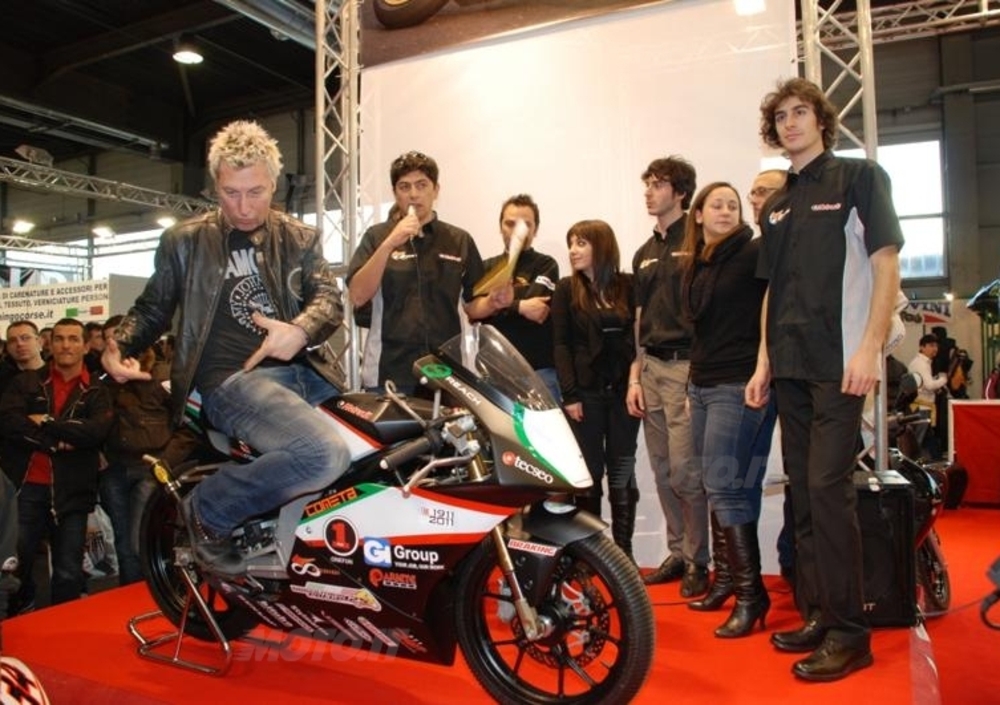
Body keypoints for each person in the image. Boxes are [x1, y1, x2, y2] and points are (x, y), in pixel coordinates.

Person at [102, 120, 350, 577]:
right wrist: (118, 344)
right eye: (231, 193)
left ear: (273, 184)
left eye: (255, 192)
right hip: (230, 379)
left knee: (377, 447)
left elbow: (327, 298)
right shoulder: (185, 241)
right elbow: (153, 308)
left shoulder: (300, 237)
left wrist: (300, 329)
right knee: (323, 454)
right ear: (215, 185)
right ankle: (209, 510)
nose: (243, 206)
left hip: (303, 374)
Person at [746, 77, 904, 682]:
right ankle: (819, 613)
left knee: (829, 491)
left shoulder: (860, 178)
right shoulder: (776, 204)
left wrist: (869, 348)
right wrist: (763, 362)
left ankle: (850, 633)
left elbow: (885, 265)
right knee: (805, 496)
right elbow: (771, 291)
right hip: (789, 367)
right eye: (781, 116)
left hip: (841, 365)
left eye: (800, 112)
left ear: (821, 120)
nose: (790, 123)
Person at [679, 182, 777, 637]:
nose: (726, 211)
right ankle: (729, 583)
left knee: (724, 486)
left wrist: (763, 367)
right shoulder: (699, 263)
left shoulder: (755, 252)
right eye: (716, 204)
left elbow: (772, 313)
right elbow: (702, 332)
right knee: (731, 485)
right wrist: (690, 384)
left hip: (738, 384)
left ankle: (751, 596)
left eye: (733, 205)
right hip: (702, 383)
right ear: (698, 214)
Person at [347, 151, 510, 392]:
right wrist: (390, 243)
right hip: (388, 370)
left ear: (436, 190)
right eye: (404, 187)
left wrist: (493, 302)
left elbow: (472, 305)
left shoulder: (459, 240)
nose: (413, 194)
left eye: (422, 185)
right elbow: (358, 295)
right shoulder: (377, 236)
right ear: (395, 193)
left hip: (447, 371)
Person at [626, 156, 709, 596]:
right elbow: (639, 320)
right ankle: (678, 552)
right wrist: (635, 376)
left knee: (685, 472)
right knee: (661, 470)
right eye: (648, 183)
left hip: (685, 367)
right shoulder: (643, 252)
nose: (649, 191)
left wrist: (699, 374)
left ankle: (698, 559)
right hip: (651, 368)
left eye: (658, 184)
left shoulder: (698, 242)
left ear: (680, 193)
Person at [0, 318, 114, 610]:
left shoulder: (97, 390)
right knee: (16, 565)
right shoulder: (25, 382)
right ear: (49, 344)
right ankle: (18, 618)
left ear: (85, 346)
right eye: (60, 338)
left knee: (68, 571)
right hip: (26, 488)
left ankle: (62, 625)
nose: (65, 345)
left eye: (73, 339)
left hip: (73, 490)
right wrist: (54, 442)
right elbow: (11, 423)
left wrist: (47, 422)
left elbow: (94, 432)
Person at [552, 220, 641, 561]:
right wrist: (570, 394)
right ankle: (593, 555)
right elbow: (561, 345)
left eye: (581, 243)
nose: (573, 250)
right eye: (571, 243)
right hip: (585, 395)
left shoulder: (628, 285)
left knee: (622, 469)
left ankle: (624, 553)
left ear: (601, 247)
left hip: (623, 393)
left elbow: (638, 340)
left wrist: (635, 382)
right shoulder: (566, 289)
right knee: (588, 474)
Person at [480, 194, 560, 400]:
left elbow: (538, 309)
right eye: (510, 224)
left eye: (526, 224)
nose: (518, 231)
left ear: (535, 229)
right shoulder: (486, 268)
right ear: (500, 227)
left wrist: (496, 305)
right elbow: (477, 312)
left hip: (539, 373)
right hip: (494, 372)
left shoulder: (546, 264)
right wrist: (521, 306)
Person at [907, 333, 948, 456]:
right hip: (921, 407)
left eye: (936, 346)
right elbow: (929, 385)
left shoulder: (923, 363)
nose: (935, 349)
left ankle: (932, 458)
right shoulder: (921, 364)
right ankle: (912, 463)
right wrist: (943, 379)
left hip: (923, 406)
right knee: (918, 440)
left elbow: (925, 384)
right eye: (931, 345)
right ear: (922, 347)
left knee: (926, 438)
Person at [0, 320, 46, 400]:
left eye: (25, 338)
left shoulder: (57, 373)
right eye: (12, 340)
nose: (19, 344)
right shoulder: (3, 379)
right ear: (7, 347)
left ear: (39, 342)